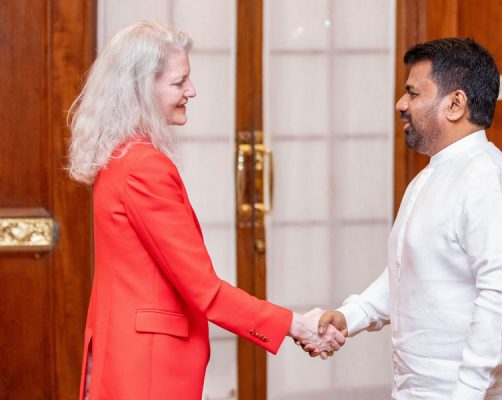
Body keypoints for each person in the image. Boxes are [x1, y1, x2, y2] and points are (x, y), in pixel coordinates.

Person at [67, 21, 344, 400]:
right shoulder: (144, 167)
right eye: (179, 82)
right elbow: (204, 290)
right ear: (142, 89)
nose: (191, 91)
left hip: (125, 352)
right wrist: (294, 325)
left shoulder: (118, 158)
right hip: (147, 366)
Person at [314, 38, 502, 399]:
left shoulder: (490, 181)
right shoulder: (431, 175)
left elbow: (499, 302)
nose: (401, 104)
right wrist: (351, 315)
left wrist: (466, 392)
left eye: (412, 93)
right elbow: (410, 272)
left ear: (455, 104)